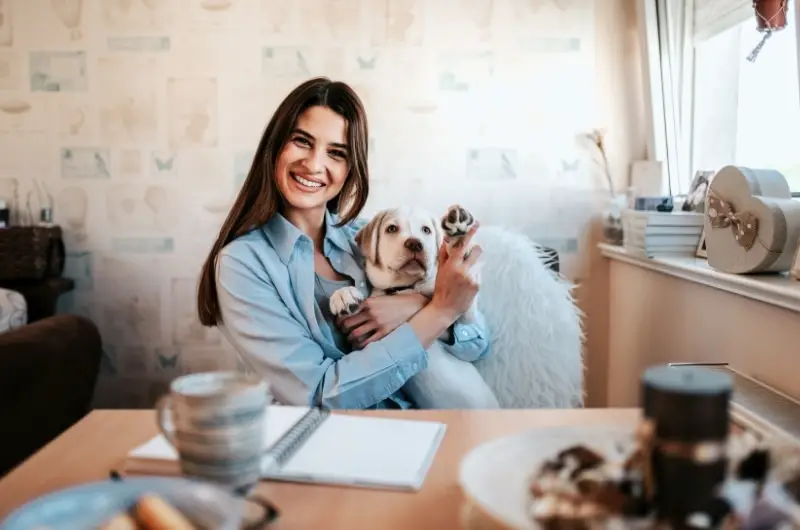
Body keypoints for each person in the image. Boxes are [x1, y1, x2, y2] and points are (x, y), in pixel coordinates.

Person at [196, 77, 491, 409]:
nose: (314, 164)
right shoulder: (243, 264)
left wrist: (413, 307)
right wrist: (438, 311)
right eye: (301, 141)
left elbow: (476, 344)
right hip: (339, 441)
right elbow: (318, 394)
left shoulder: (368, 238)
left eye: (336, 153)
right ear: (274, 146)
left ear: (351, 170)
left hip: (433, 427)